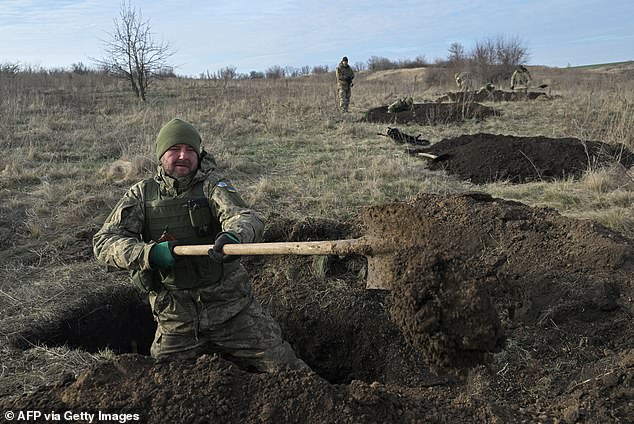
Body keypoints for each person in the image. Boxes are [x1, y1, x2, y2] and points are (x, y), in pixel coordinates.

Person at [93, 118, 310, 372]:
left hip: (232, 312)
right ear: (161, 155)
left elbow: (245, 217)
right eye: (175, 149)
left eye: (190, 150)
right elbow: (104, 243)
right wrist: (148, 254)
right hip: (176, 321)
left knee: (288, 371)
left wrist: (234, 237)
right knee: (159, 384)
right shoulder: (141, 196)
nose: (183, 156)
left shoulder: (212, 185)